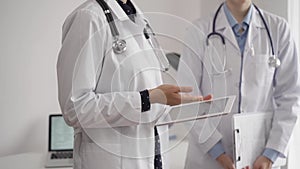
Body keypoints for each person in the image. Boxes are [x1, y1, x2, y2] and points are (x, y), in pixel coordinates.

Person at [56, 0, 209, 169]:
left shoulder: (136, 17)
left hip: (152, 155)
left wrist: (174, 107)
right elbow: (75, 107)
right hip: (111, 160)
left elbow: (146, 97)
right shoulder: (89, 18)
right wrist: (145, 99)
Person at [177, 0, 300, 169]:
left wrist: (269, 155)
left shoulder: (278, 29)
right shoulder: (198, 30)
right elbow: (189, 98)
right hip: (207, 159)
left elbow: (290, 97)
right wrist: (217, 152)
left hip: (259, 158)